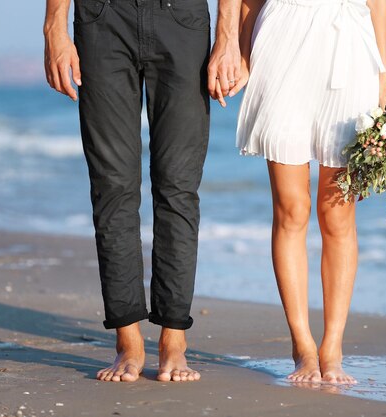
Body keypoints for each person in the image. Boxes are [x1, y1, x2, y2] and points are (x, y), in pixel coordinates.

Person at [43, 0, 242, 382]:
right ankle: (127, 341)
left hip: (181, 19)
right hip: (103, 17)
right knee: (112, 186)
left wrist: (227, 37)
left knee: (178, 187)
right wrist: (55, 28)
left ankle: (174, 339)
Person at [231, 0, 386, 384]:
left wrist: (382, 81)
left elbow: (377, 3)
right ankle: (303, 346)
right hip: (281, 41)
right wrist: (241, 53)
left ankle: (333, 347)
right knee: (291, 209)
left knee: (338, 213)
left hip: (351, 51)